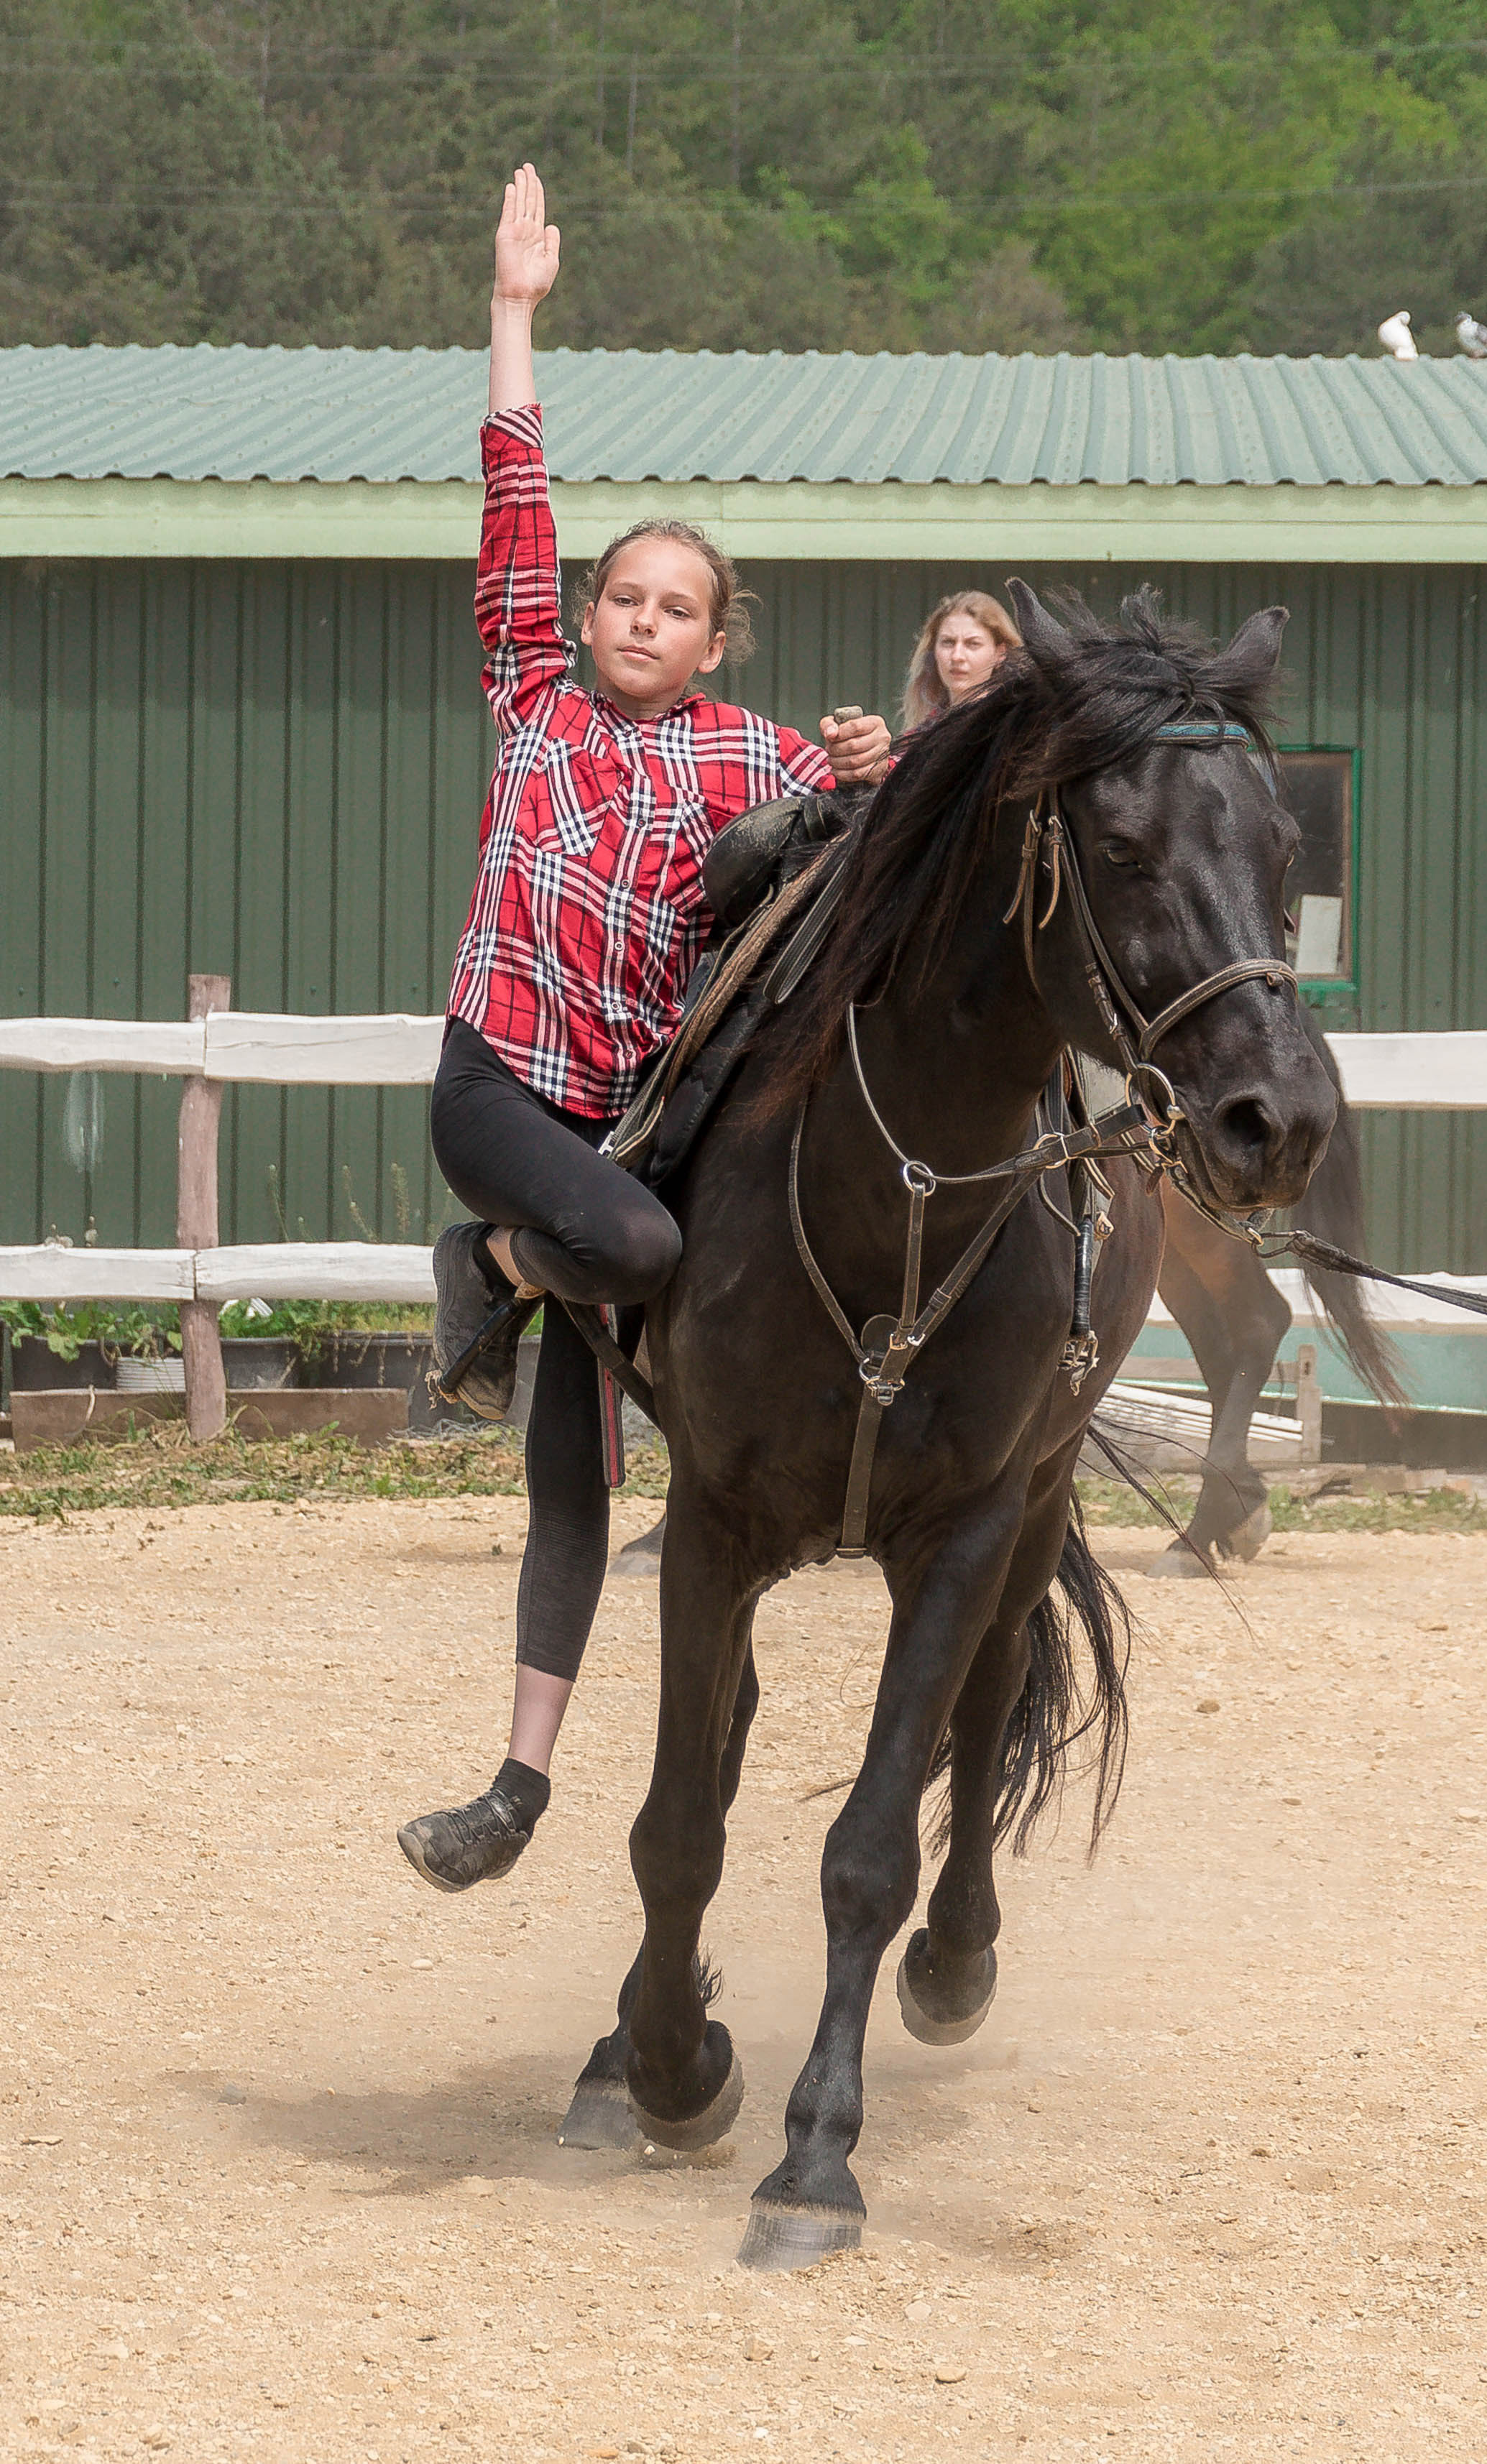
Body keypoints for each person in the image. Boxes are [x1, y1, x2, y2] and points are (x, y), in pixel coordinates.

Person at [398, 165, 891, 1894]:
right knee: (623, 1239)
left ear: (711, 638)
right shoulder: (528, 688)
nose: (635, 619)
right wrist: (513, 312)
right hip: (508, 1098)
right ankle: (496, 1260)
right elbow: (515, 492)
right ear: (583, 612)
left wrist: (869, 769)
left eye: (672, 607)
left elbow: (859, 838)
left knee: (575, 1470)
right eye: (621, 595)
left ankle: (515, 1786)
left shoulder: (746, 756)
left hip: (627, 1111)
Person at [901, 590, 1022, 729]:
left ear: (1000, 654)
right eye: (948, 642)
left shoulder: (1017, 729)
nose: (957, 656)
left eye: (973, 644)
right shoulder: (919, 736)